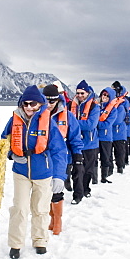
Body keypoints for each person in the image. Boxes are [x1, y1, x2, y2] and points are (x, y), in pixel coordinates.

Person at [2, 85, 67, 258]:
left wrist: (60, 176)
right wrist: (12, 155)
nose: (29, 107)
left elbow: (59, 150)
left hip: (43, 173)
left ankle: (40, 240)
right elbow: (4, 141)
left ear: (40, 104)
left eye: (33, 104)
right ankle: (15, 244)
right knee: (20, 208)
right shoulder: (14, 120)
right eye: (26, 104)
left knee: (40, 209)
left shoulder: (48, 123)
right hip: (21, 172)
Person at [42, 83, 78, 236]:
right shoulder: (37, 114)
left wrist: (78, 156)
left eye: (52, 101)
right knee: (44, 192)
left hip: (61, 158)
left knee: (57, 190)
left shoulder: (67, 116)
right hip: (42, 160)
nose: (49, 105)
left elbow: (75, 137)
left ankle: (57, 220)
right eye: (46, 101)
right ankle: (50, 218)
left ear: (58, 100)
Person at [70, 80, 99, 203]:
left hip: (90, 143)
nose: (80, 95)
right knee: (77, 170)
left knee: (88, 170)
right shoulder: (72, 106)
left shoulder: (94, 107)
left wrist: (73, 123)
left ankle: (86, 189)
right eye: (78, 93)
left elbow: (90, 125)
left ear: (87, 93)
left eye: (82, 93)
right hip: (77, 143)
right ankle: (77, 195)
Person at [95, 87, 123, 184]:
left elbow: (107, 124)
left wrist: (95, 123)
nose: (105, 97)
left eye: (107, 95)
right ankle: (94, 178)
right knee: (93, 158)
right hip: (95, 136)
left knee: (105, 157)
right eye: (104, 94)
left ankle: (104, 176)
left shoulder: (113, 110)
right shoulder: (96, 106)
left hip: (106, 137)